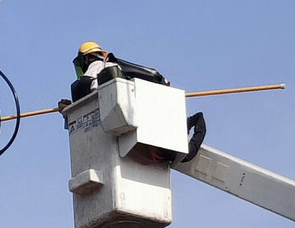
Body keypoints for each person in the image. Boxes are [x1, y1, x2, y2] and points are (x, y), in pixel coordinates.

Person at [68, 40, 207, 161]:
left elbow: (90, 91)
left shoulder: (95, 72)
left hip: (129, 131)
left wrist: (70, 110)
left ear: (85, 60)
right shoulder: (113, 68)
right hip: (144, 130)